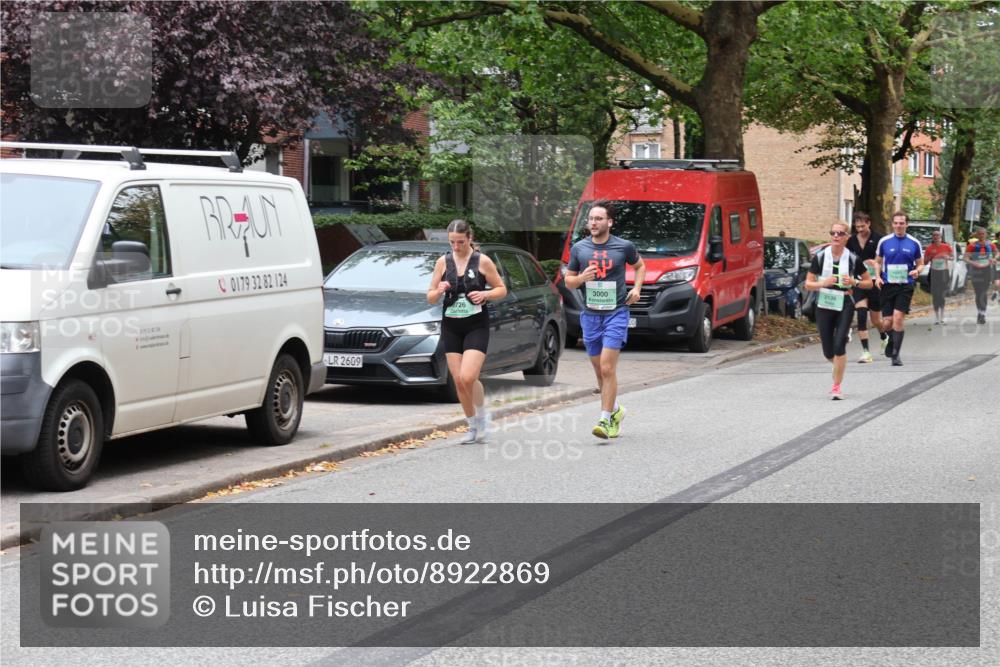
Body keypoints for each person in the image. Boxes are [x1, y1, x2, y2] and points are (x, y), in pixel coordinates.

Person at [564, 200, 645, 439]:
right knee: (600, 371)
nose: (593, 223)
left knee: (608, 367)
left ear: (609, 222)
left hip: (616, 313)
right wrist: (581, 278)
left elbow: (640, 267)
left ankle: (604, 419)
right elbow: (568, 281)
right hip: (590, 316)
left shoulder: (624, 246)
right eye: (591, 219)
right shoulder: (580, 248)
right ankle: (616, 411)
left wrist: (637, 289)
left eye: (599, 219)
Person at [427, 220, 507, 444]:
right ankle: (472, 426)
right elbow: (430, 296)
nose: (456, 246)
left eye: (460, 242)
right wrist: (439, 289)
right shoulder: (443, 262)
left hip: (476, 325)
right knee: (459, 381)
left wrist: (485, 295)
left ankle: (483, 416)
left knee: (468, 376)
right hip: (451, 325)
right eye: (452, 242)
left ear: (469, 238)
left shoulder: (482, 261)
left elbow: (502, 289)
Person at [805, 221, 874, 399]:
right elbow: (808, 283)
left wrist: (854, 282)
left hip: (844, 304)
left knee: (838, 347)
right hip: (824, 304)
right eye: (833, 233)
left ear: (846, 237)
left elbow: (869, 282)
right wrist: (823, 283)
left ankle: (836, 387)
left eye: (840, 234)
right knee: (828, 352)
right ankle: (839, 366)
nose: (836, 236)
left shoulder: (852, 258)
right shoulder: (820, 257)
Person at [874, 211, 924, 366]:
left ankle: (896, 354)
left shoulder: (914, 242)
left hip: (905, 285)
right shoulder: (884, 241)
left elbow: (921, 263)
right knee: (887, 322)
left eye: (902, 223)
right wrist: (878, 276)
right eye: (896, 223)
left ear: (907, 224)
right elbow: (877, 261)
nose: (898, 226)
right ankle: (890, 340)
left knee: (898, 318)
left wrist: (917, 271)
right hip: (888, 285)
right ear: (892, 224)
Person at [846, 210, 886, 363]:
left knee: (876, 320)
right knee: (861, 315)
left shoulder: (879, 239)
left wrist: (877, 264)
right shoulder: (851, 241)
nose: (860, 229)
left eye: (863, 226)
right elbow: (848, 260)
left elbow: (884, 259)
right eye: (857, 227)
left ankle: (884, 336)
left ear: (869, 223)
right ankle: (866, 352)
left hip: (875, 282)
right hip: (859, 282)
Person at [964, 227, 997, 325]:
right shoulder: (972, 246)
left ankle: (983, 314)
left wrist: (994, 259)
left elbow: (997, 253)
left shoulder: (990, 245)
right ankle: (979, 311)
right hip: (976, 271)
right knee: (978, 293)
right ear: (977, 235)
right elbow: (965, 258)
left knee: (984, 292)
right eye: (980, 234)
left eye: (983, 233)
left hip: (987, 271)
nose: (981, 235)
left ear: (986, 234)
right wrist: (973, 263)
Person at [923, 229, 954, 324]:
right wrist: (931, 256)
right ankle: (936, 318)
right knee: (935, 295)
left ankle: (942, 316)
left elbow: (952, 257)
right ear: (932, 237)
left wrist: (947, 257)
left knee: (942, 295)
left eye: (938, 236)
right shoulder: (929, 248)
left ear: (941, 237)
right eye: (934, 236)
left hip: (944, 272)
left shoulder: (946, 247)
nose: (936, 237)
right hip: (934, 273)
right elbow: (925, 262)